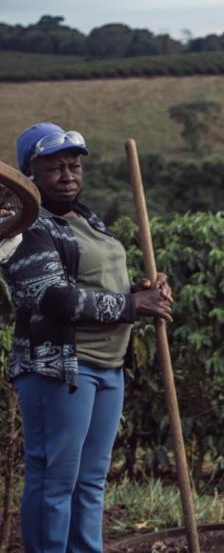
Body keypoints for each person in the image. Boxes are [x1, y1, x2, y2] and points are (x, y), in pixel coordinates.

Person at [3, 122, 174, 553]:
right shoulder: (23, 226)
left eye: (74, 165)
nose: (68, 175)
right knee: (55, 476)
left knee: (91, 478)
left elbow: (94, 283)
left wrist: (140, 292)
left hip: (108, 365)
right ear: (30, 174)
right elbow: (52, 297)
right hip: (59, 367)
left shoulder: (86, 219)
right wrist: (133, 307)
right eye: (55, 167)